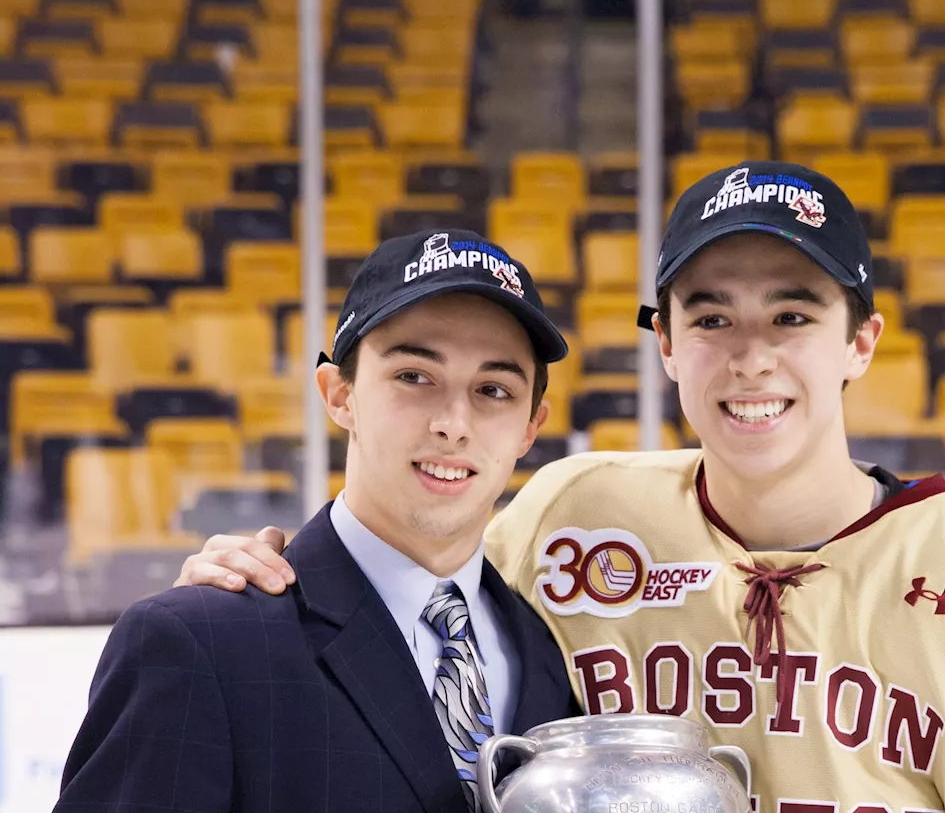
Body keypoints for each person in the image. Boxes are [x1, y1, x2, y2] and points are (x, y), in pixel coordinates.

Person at [176, 163, 945, 812]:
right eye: (713, 317)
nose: (750, 357)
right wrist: (262, 583)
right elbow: (408, 602)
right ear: (666, 343)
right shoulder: (575, 513)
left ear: (859, 341)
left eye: (791, 315)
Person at [56, 229, 579, 813]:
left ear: (532, 427)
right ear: (339, 395)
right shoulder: (198, 640)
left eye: (493, 389)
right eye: (414, 376)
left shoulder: (555, 653)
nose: (454, 423)